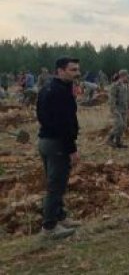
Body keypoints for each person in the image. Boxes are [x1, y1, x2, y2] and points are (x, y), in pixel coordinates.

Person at [36, 57, 83, 240]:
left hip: (46, 140)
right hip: (57, 143)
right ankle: (49, 227)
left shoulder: (48, 88)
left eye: (77, 69)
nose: (77, 73)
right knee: (55, 185)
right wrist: (71, 149)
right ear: (60, 71)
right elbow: (64, 124)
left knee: (57, 181)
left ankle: (60, 217)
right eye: (72, 70)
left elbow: (40, 114)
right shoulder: (59, 92)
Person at [108, 69, 129, 148]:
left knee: (124, 126)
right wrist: (113, 109)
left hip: (124, 109)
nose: (128, 78)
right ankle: (110, 139)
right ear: (122, 76)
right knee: (119, 125)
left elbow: (128, 98)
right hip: (117, 109)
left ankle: (118, 142)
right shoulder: (115, 86)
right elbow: (112, 98)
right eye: (127, 77)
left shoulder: (126, 85)